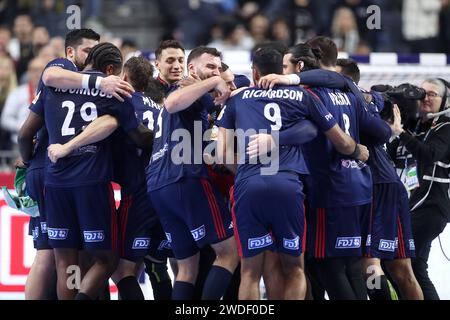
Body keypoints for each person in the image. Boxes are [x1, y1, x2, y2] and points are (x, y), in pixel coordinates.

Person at [216, 47, 371, 300]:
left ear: (255, 72)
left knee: (250, 273)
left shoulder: (237, 99)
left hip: (249, 186)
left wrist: (244, 169)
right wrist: (358, 150)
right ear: (282, 70)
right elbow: (340, 142)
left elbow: (221, 154)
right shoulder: (303, 96)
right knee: (295, 268)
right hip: (289, 185)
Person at [18, 42, 152, 300]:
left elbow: (26, 133)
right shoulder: (113, 90)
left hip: (54, 183)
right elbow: (137, 136)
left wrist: (26, 159)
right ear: (111, 68)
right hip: (91, 183)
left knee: (65, 263)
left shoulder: (55, 85)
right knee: (107, 259)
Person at [147, 46, 239, 300]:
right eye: (210, 66)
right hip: (184, 179)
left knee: (187, 267)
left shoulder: (200, 96)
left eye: (218, 68)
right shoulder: (185, 89)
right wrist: (215, 80)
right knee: (229, 252)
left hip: (159, 185)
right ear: (192, 69)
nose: (215, 72)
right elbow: (173, 102)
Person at [389, 78, 450, 300]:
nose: (426, 97)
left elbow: (430, 155)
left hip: (431, 208)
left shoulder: (446, 128)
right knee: (416, 267)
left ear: (445, 101)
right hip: (414, 205)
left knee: (397, 260)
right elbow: (392, 156)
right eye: (423, 92)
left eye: (433, 94)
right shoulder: (416, 127)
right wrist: (401, 122)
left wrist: (401, 133)